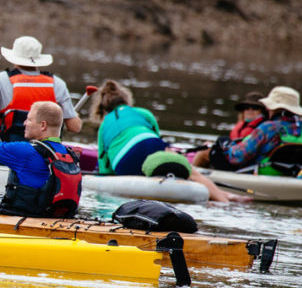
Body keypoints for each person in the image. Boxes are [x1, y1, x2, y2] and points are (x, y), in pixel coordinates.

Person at [94, 79, 241, 202]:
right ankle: (225, 199)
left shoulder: (104, 125)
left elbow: (105, 167)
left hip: (124, 161)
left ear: (103, 107)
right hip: (153, 146)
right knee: (191, 173)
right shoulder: (143, 113)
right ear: (127, 100)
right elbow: (157, 140)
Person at [0, 36, 81, 163]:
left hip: (6, 153)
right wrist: (74, 114)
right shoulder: (57, 84)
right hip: (44, 157)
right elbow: (74, 127)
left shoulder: (1, 79)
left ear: (14, 58)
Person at [0, 101, 82, 218]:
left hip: (27, 215)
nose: (24, 123)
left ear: (43, 125)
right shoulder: (69, 154)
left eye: (29, 119)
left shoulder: (26, 150)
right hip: (56, 215)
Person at [199, 86, 302, 176]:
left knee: (206, 153)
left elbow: (237, 157)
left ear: (273, 107)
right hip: (294, 173)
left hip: (260, 175)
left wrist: (222, 147)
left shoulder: (267, 128)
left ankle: (196, 178)